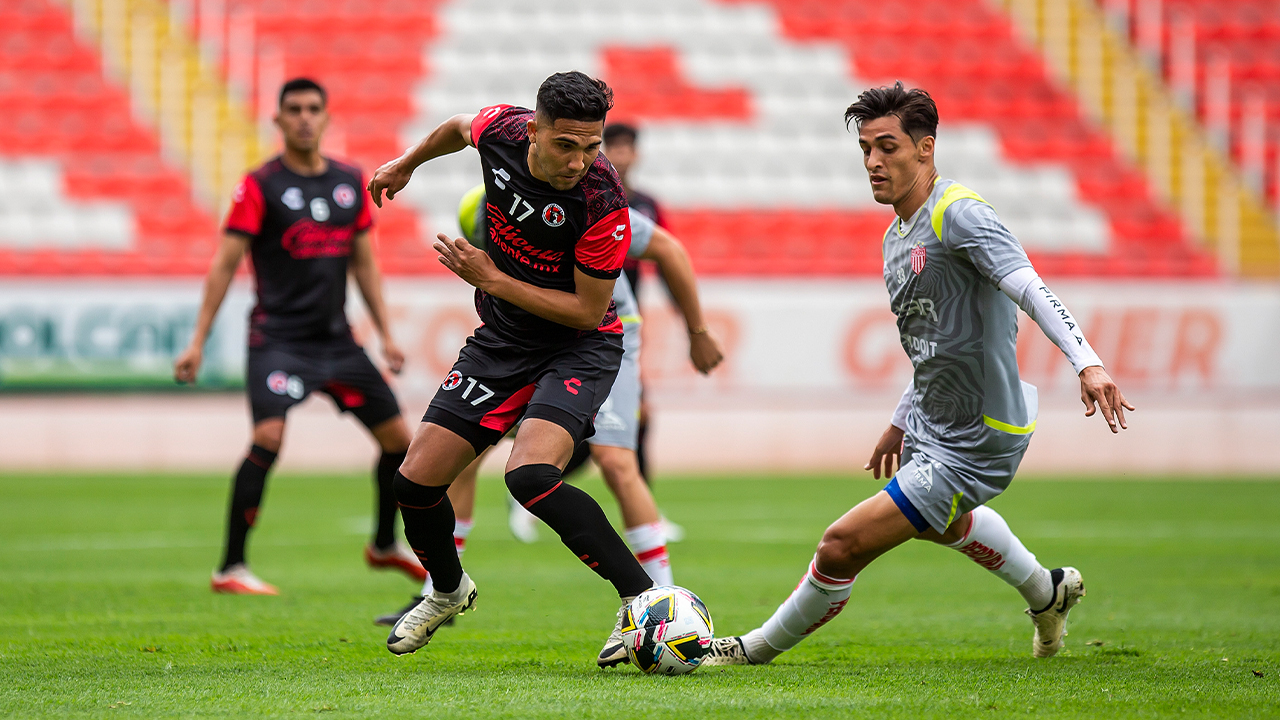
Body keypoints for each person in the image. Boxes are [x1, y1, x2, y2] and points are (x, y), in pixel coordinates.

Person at [703, 82, 1135, 666]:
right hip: (934, 423)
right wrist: (900, 419)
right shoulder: (894, 237)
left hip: (979, 434)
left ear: (925, 148)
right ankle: (1047, 592)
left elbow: (1029, 286)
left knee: (839, 546)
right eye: (865, 149)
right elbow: (934, 345)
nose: (873, 162)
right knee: (938, 525)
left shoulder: (959, 214)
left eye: (888, 147)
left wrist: (1088, 362)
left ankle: (748, 652)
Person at [365, 71, 653, 667]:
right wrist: (406, 164)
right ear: (534, 130)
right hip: (503, 341)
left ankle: (642, 601)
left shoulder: (602, 201)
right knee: (413, 484)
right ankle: (448, 591)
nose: (579, 160)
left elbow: (587, 309)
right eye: (565, 144)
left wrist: (491, 278)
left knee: (528, 476)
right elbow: (453, 128)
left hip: (579, 346)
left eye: (591, 145)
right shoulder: (500, 127)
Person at [372, 196, 725, 627]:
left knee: (615, 462)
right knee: (457, 458)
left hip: (595, 340)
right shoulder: (500, 201)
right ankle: (440, 591)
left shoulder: (586, 202)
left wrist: (697, 330)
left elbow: (667, 249)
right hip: (526, 342)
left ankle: (660, 605)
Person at [174, 78, 419, 595]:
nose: (305, 117)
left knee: (401, 441)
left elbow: (364, 265)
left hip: (337, 342)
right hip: (278, 340)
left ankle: (382, 544)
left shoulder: (351, 181)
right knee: (269, 437)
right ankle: (231, 568)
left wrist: (385, 333)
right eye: (294, 109)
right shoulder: (260, 184)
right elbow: (224, 264)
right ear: (279, 121)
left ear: (326, 118)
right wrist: (198, 340)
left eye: (313, 109)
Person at [600, 123, 666, 500]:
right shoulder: (591, 195)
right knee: (607, 420)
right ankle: (535, 480)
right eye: (615, 147)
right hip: (589, 318)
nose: (622, 155)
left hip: (625, 323)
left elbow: (666, 252)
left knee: (636, 416)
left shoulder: (647, 205)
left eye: (628, 148)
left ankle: (645, 505)